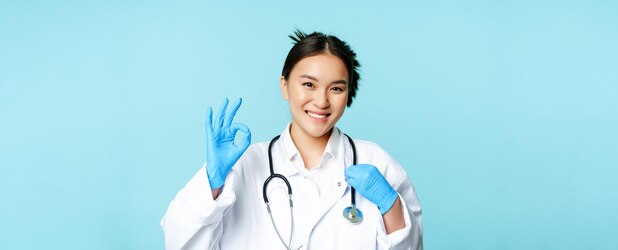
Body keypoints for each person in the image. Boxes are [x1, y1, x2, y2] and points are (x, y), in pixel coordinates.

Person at [161, 30, 423, 250]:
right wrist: (213, 181)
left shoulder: (376, 162)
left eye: (336, 88)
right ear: (284, 85)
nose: (321, 101)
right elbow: (179, 242)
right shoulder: (244, 165)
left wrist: (391, 207)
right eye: (308, 84)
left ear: (348, 93)